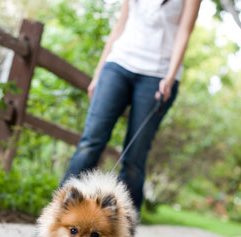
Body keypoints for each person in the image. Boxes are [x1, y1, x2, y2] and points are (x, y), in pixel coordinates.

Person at [61, 0, 202, 211]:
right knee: (90, 142)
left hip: (158, 74)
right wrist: (99, 73)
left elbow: (184, 31)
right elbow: (121, 23)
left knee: (134, 159)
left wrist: (170, 77)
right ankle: (61, 215)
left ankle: (124, 234)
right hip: (119, 63)